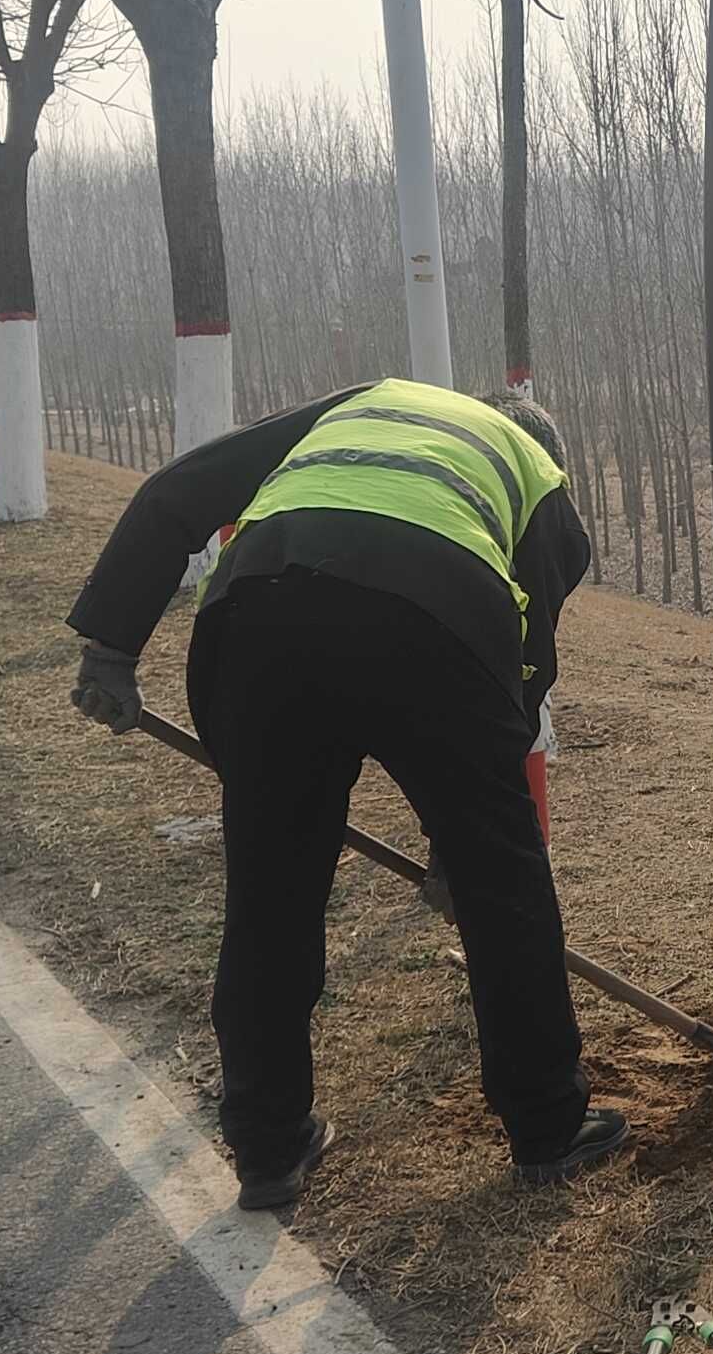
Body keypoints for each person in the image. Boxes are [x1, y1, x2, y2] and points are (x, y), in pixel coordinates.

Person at [64, 377, 620, 1212]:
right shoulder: (541, 481)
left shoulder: (364, 404)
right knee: (505, 886)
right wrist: (466, 845)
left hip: (259, 620)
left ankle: (268, 1145)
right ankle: (546, 1125)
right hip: (430, 624)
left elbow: (174, 493)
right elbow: (524, 663)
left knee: (272, 891)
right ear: (550, 454)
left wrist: (112, 648)